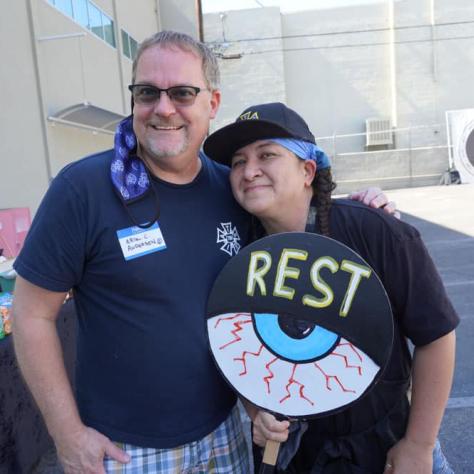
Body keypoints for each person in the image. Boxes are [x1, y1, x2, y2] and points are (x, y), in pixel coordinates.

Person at [12, 32, 397, 473]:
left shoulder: (232, 187)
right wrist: (67, 434)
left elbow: (294, 230)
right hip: (125, 451)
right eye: (147, 93)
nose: (163, 108)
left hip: (225, 434)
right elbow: (31, 315)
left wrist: (367, 204)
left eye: (182, 93)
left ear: (211, 104)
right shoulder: (82, 189)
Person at [203, 102, 458, 474]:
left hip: (388, 447)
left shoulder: (375, 231)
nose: (249, 170)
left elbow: (435, 335)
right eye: (238, 162)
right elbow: (241, 348)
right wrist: (257, 413)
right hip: (296, 458)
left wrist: (419, 444)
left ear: (308, 170)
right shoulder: (239, 255)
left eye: (267, 155)